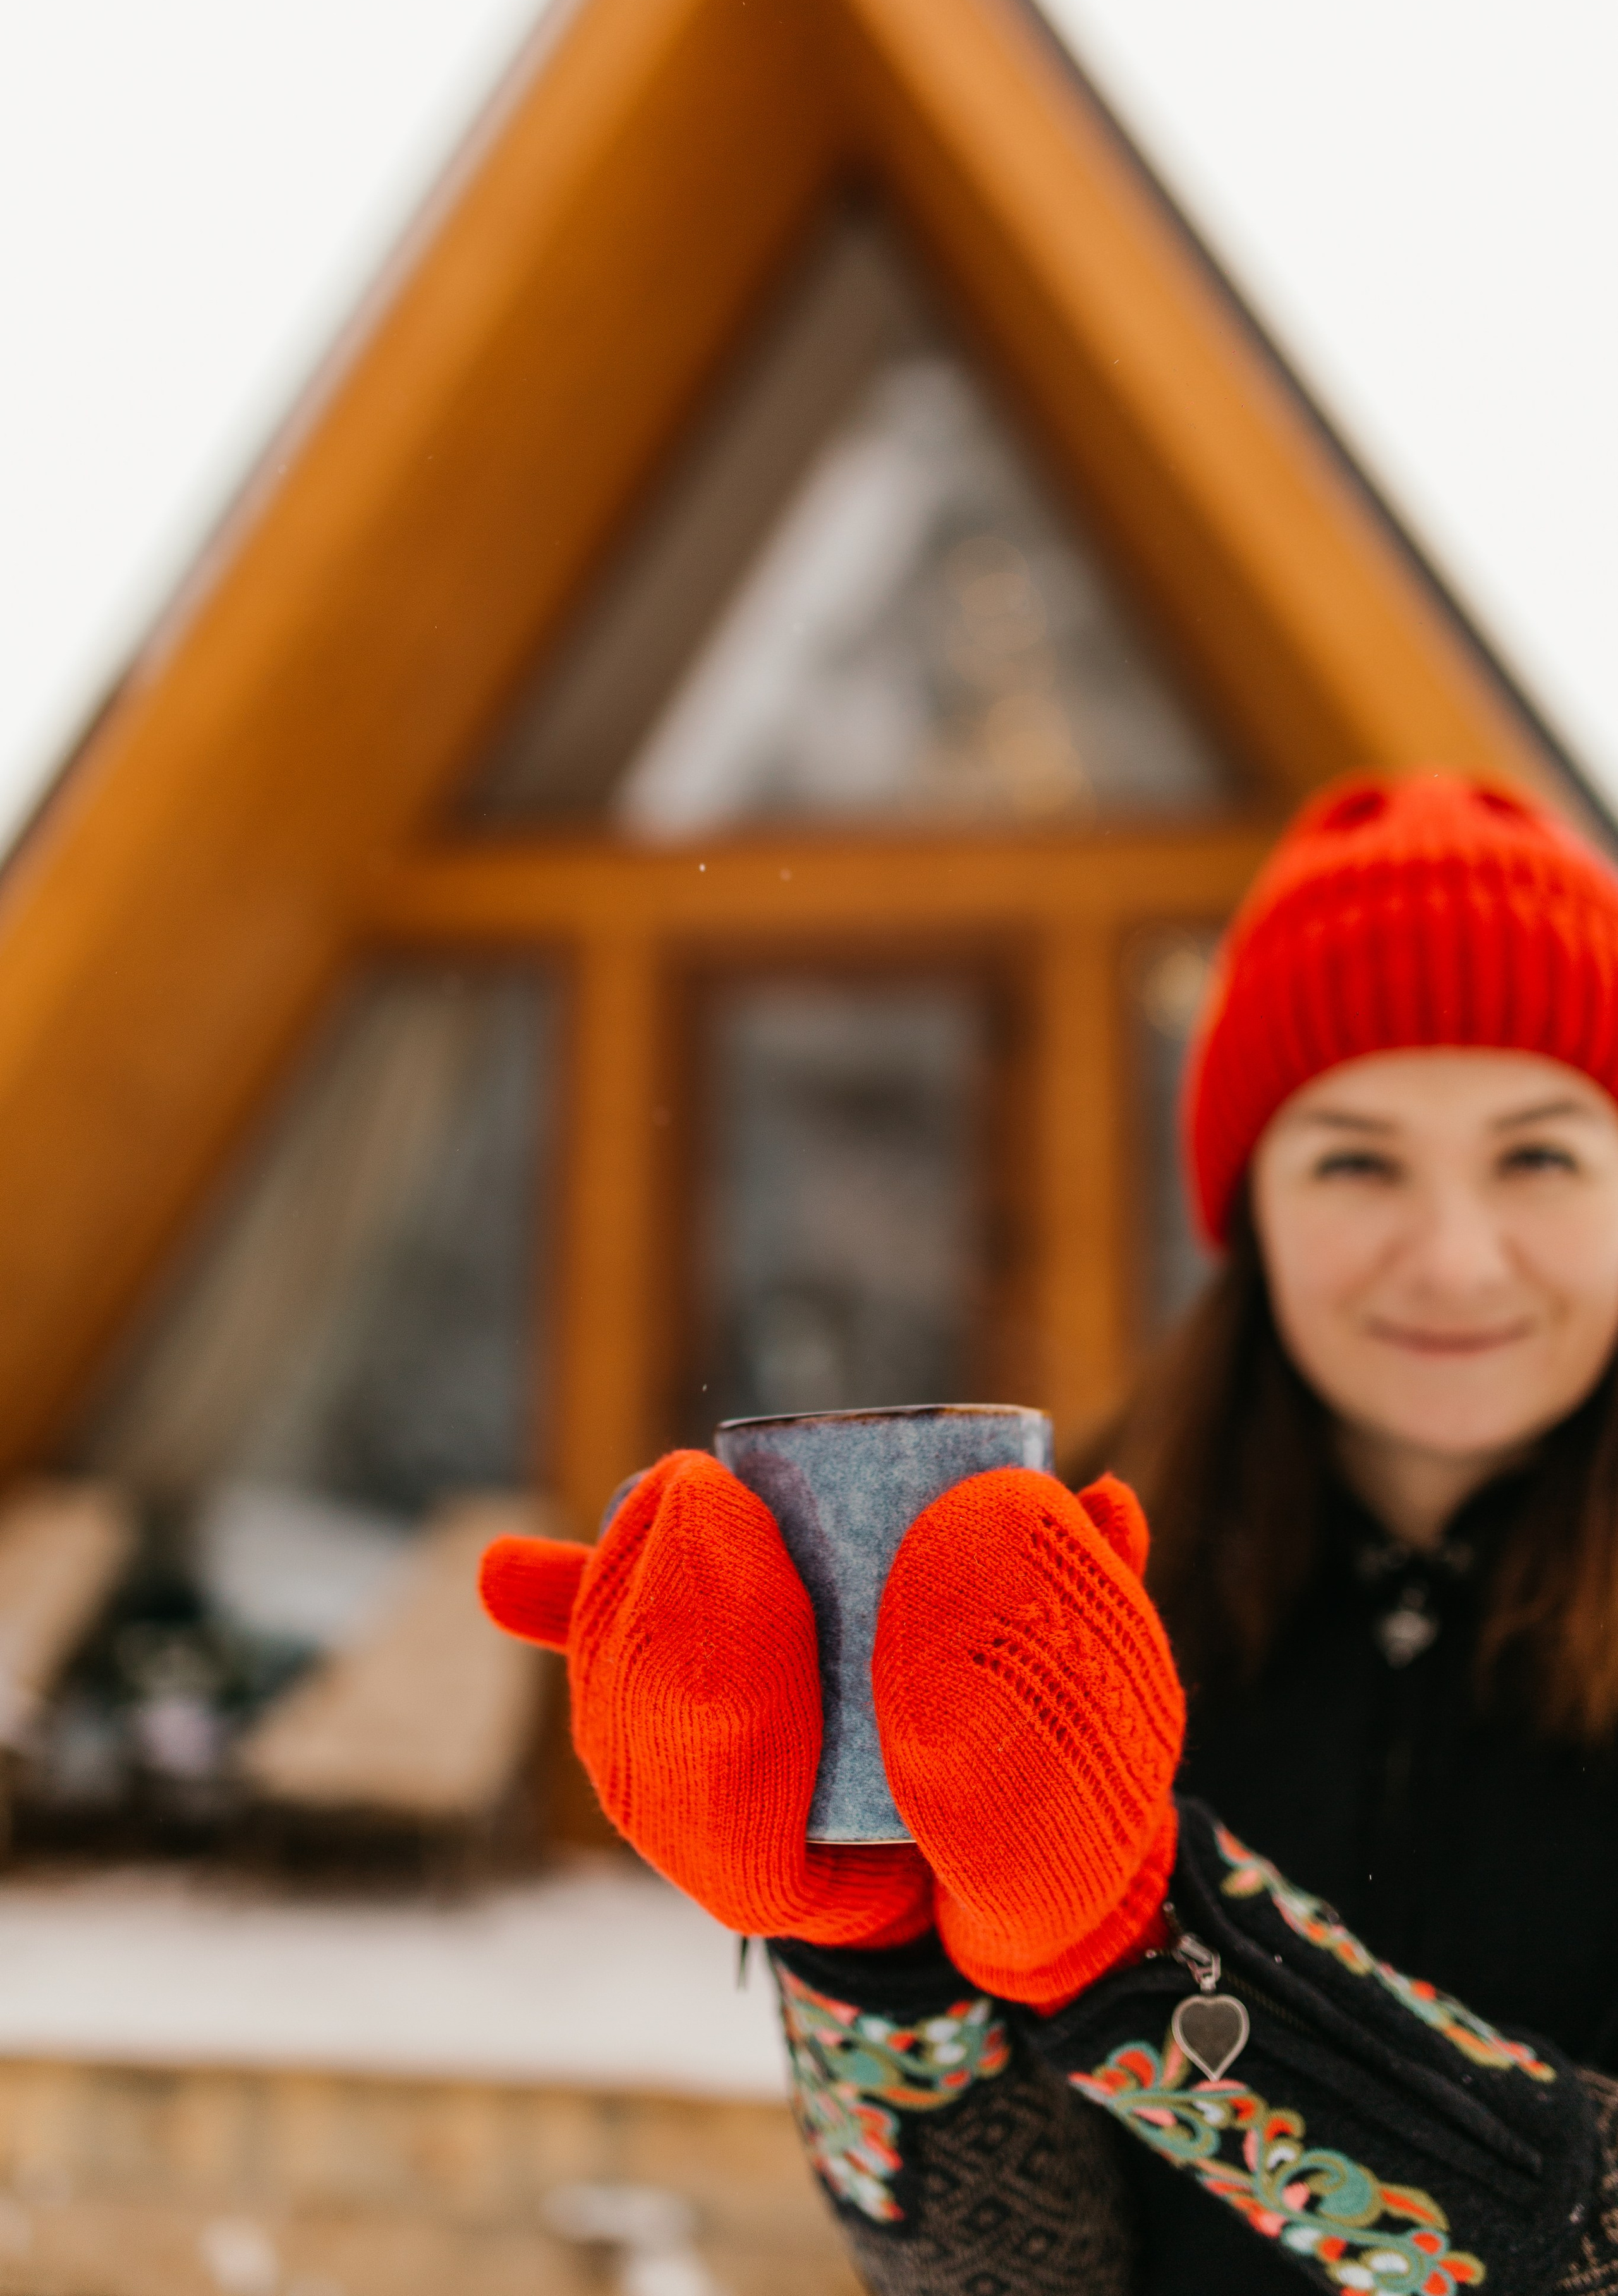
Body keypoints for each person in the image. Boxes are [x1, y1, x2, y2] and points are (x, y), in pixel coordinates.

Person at [480, 771, 1618, 2293]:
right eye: (1354, 1159)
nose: (1454, 1254)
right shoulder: (1048, 1596)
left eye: (1537, 1155)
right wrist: (863, 1955)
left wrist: (1147, 1948)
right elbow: (1007, 2278)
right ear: (1246, 1203)